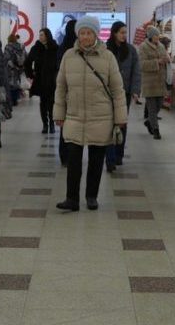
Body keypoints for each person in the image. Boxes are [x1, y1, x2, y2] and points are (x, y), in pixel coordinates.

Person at [54, 16, 127, 211]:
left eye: (89, 33)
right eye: (82, 32)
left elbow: (118, 90)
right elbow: (60, 87)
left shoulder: (108, 57)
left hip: (101, 116)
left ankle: (92, 196)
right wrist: (58, 113)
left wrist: (120, 118)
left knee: (96, 160)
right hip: (74, 115)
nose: (85, 36)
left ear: (96, 34)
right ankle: (72, 199)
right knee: (74, 160)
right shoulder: (69, 56)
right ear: (77, 34)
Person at [105, 21, 140, 171]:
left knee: (121, 123)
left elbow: (136, 71)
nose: (124, 35)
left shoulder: (131, 50)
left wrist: (135, 91)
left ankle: (119, 154)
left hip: (124, 93)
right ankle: (110, 159)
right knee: (108, 124)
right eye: (121, 32)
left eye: (126, 32)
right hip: (107, 93)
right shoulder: (105, 50)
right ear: (114, 33)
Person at [25, 28, 59, 134]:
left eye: (42, 35)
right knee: (43, 103)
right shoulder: (36, 48)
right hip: (40, 79)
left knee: (52, 103)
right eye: (39, 35)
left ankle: (52, 124)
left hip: (52, 80)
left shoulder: (55, 48)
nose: (40, 37)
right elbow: (28, 62)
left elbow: (60, 62)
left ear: (47, 35)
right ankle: (45, 124)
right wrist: (30, 74)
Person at [139, 26, 169, 139]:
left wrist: (166, 59)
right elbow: (142, 64)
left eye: (158, 35)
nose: (158, 37)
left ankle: (149, 121)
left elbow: (165, 57)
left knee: (159, 104)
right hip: (149, 83)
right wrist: (157, 62)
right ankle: (156, 130)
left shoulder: (161, 46)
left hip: (160, 82)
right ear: (151, 36)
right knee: (151, 108)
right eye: (156, 35)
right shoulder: (143, 47)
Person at [55, 19, 77, 166]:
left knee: (65, 125)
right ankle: (72, 155)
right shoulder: (75, 49)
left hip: (65, 91)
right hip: (74, 91)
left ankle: (65, 156)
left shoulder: (62, 46)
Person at [4, 34, 26, 106]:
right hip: (19, 69)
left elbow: (6, 58)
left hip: (10, 68)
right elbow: (25, 56)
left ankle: (11, 101)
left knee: (10, 84)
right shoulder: (21, 47)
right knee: (16, 84)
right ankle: (15, 100)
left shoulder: (8, 46)